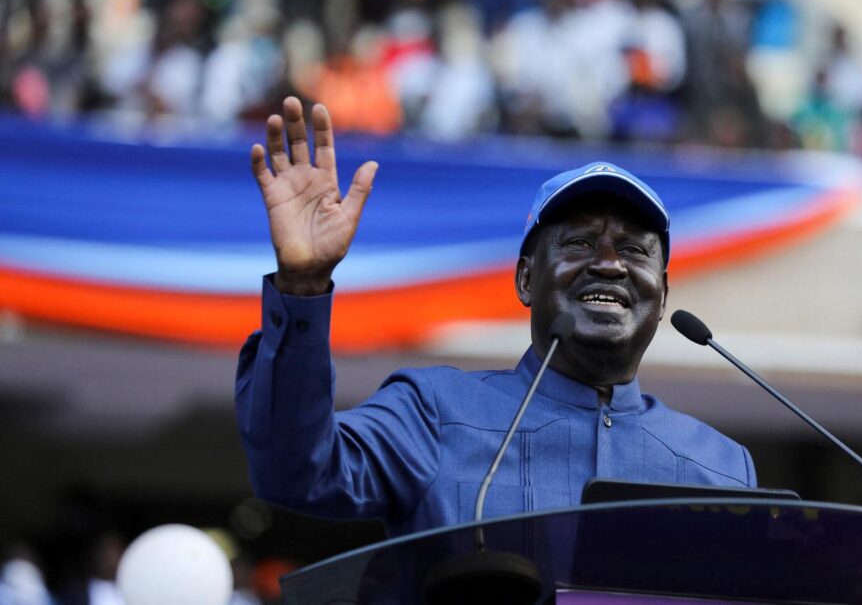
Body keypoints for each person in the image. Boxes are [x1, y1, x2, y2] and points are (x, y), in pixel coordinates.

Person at [235, 97, 756, 537]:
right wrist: (302, 286)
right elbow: (295, 472)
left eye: (634, 250)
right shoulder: (432, 414)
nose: (608, 263)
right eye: (578, 242)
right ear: (526, 279)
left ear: (661, 297)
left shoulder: (722, 469)